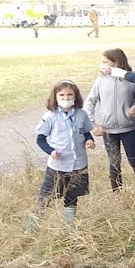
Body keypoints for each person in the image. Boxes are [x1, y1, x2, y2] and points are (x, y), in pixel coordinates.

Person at [28, 80, 96, 231]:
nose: (66, 98)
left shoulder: (81, 114)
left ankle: (69, 227)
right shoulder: (50, 116)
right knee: (45, 196)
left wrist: (90, 140)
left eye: (70, 94)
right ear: (55, 97)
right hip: (58, 165)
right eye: (62, 95)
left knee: (72, 195)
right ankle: (31, 228)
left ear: (75, 96)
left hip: (78, 163)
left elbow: (86, 132)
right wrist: (50, 151)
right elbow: (40, 139)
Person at [85, 48, 135, 191]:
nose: (102, 64)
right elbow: (89, 102)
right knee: (114, 162)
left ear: (116, 62)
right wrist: (92, 124)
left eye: (105, 62)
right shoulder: (101, 81)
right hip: (108, 130)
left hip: (128, 128)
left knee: (134, 160)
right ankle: (117, 192)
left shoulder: (131, 79)